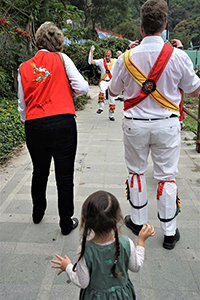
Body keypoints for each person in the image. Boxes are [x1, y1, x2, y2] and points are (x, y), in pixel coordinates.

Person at [108, 0, 200, 250]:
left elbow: (113, 91)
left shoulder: (126, 58)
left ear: (141, 27)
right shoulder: (178, 56)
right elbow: (194, 91)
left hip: (135, 124)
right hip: (166, 125)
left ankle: (138, 223)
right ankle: (169, 233)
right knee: (166, 177)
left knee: (137, 172)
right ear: (165, 25)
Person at [17, 22, 89, 235]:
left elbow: (22, 105)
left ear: (37, 40)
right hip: (62, 122)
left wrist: (30, 121)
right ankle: (66, 223)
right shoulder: (61, 59)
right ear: (57, 39)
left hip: (34, 124)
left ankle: (37, 213)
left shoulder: (24, 66)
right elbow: (83, 88)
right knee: (64, 176)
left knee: (39, 171)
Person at [51, 190, 155, 299]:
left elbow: (83, 282)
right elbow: (136, 266)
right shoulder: (126, 243)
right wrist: (141, 241)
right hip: (122, 296)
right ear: (119, 218)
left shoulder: (84, 250)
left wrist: (67, 266)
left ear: (86, 222)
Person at [88, 46, 117, 121]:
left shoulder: (115, 61)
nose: (107, 57)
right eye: (106, 56)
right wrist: (91, 51)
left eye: (108, 55)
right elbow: (91, 61)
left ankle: (111, 115)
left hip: (111, 81)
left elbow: (124, 61)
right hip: (104, 81)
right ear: (104, 55)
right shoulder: (101, 61)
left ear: (111, 55)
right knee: (102, 90)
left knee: (112, 99)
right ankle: (101, 107)